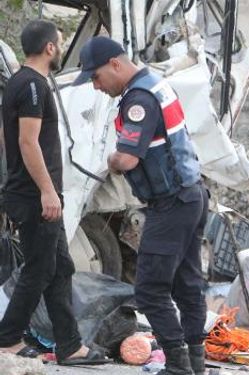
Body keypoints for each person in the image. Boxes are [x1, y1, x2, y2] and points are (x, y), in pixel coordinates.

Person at [73, 36, 209, 375]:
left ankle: (178, 366)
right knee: (188, 284)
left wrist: (113, 159)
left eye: (97, 76)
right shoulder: (155, 83)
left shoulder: (138, 98)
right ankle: (196, 360)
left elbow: (129, 159)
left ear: (115, 64)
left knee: (149, 291)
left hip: (171, 202)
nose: (96, 84)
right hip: (191, 194)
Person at [0, 20, 110, 366]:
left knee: (59, 267)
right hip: (36, 196)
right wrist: (48, 192)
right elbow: (27, 142)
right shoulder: (33, 86)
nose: (61, 49)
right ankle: (7, 338)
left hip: (27, 192)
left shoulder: (18, 83)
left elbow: (5, 139)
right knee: (40, 268)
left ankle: (69, 345)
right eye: (60, 43)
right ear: (49, 47)